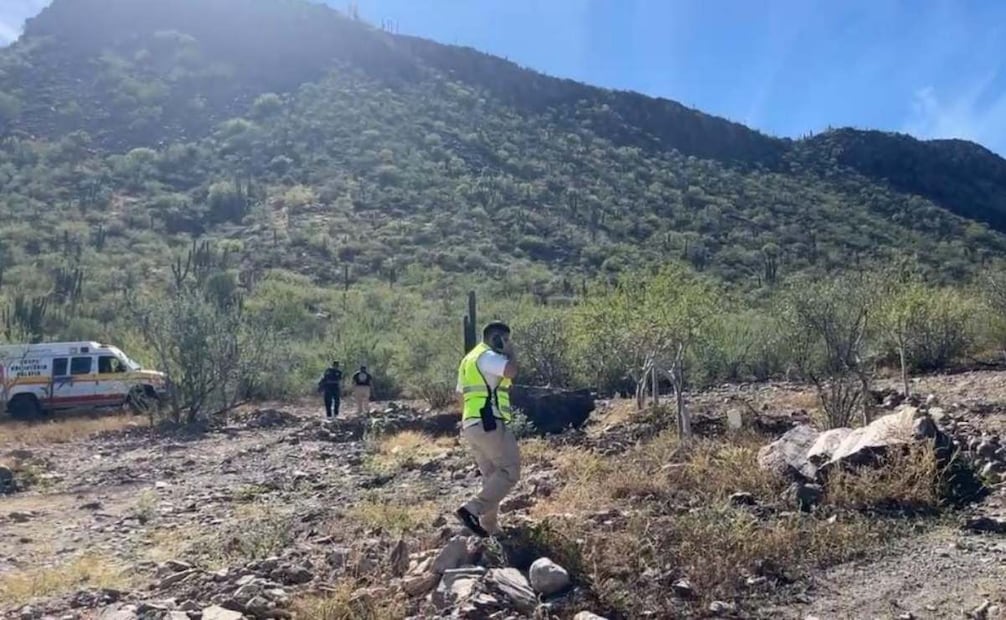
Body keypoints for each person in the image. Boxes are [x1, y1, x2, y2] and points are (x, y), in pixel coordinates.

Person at [454, 321, 520, 538]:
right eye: (505, 339)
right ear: (496, 338)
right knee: (510, 470)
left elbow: (460, 395)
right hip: (489, 421)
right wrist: (510, 352)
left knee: (491, 475)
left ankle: (489, 527)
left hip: (471, 423)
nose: (508, 343)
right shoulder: (490, 357)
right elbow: (511, 371)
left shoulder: (468, 360)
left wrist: (467, 422)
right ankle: (472, 509)